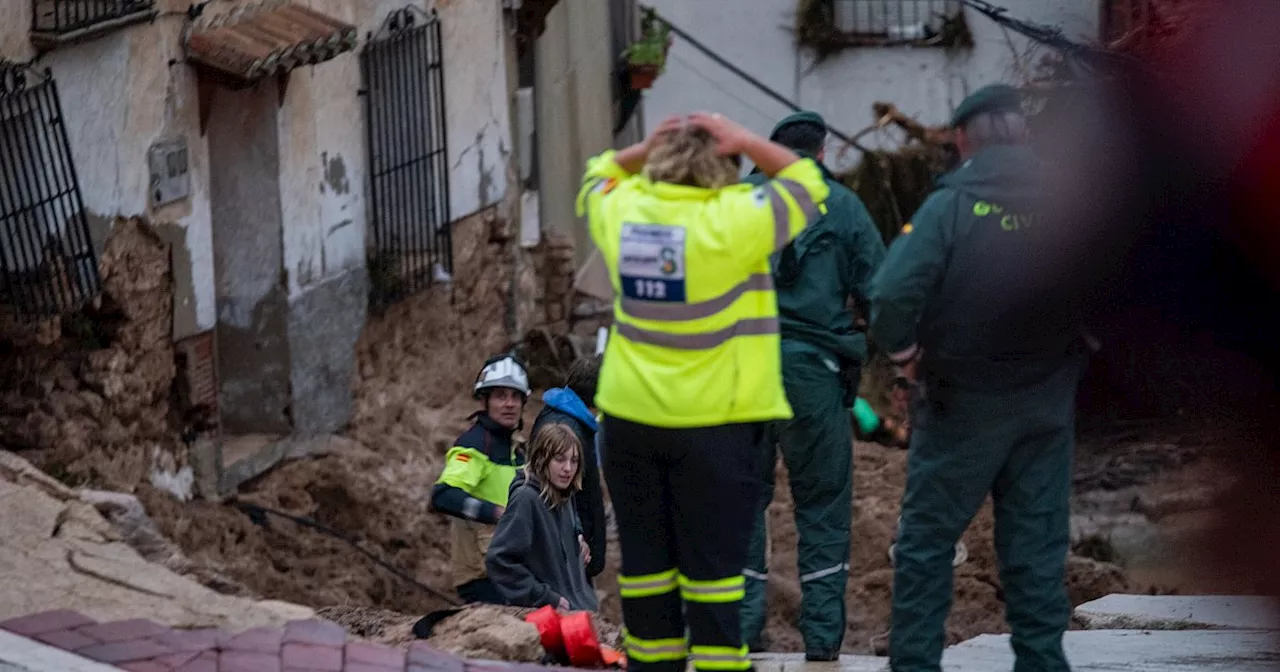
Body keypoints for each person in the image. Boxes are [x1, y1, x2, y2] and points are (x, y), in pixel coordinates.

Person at [577, 111, 830, 672]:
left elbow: (596, 174)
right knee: (714, 572)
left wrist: (644, 146)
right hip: (719, 426)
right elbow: (807, 183)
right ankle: (718, 663)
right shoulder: (738, 219)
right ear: (724, 168)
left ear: (658, 165)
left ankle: (652, 664)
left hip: (630, 421)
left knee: (645, 566)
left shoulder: (625, 213)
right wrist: (744, 138)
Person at [867, 85, 1088, 672]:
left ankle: (915, 664)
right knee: (1037, 548)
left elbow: (889, 293)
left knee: (927, 544)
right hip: (1046, 400)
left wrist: (907, 351)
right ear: (1024, 135)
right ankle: (1042, 663)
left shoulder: (952, 204)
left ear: (963, 138)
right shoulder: (1073, 200)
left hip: (961, 401)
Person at [737, 111, 886, 660]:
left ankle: (742, 632)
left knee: (741, 502)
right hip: (814, 376)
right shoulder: (843, 206)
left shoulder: (738, 201)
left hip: (742, 372)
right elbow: (882, 290)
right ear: (821, 153)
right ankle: (822, 644)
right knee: (822, 507)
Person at [430, 354, 532, 605]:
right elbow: (443, 496)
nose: (509, 404)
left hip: (514, 570)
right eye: (500, 396)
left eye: (515, 396)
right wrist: (497, 512)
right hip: (483, 576)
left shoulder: (518, 450)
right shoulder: (475, 444)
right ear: (485, 401)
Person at [485, 423, 601, 611]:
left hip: (582, 610)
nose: (568, 468)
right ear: (541, 458)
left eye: (574, 460)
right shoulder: (526, 499)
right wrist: (544, 597)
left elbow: (570, 525)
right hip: (548, 618)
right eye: (560, 459)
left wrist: (578, 536)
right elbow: (499, 559)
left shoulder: (565, 494)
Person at [530, 354, 607, 582]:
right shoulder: (566, 430)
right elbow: (561, 493)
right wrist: (578, 537)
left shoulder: (567, 419)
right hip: (569, 556)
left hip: (572, 551)